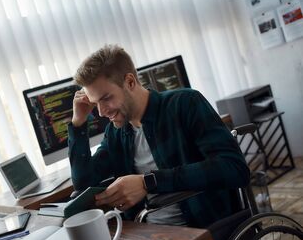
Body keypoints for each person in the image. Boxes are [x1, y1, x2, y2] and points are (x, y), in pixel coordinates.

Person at [68, 44, 250, 227]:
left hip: (201, 231)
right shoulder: (116, 133)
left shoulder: (186, 104)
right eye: (95, 103)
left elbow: (234, 168)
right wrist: (78, 123)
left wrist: (148, 182)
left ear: (130, 82)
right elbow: (83, 184)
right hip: (147, 234)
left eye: (106, 98)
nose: (101, 112)